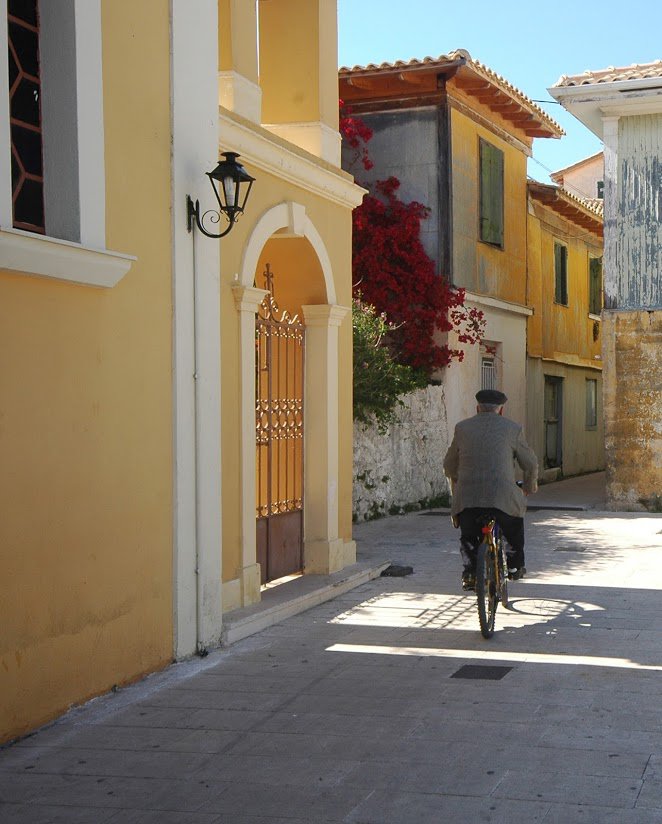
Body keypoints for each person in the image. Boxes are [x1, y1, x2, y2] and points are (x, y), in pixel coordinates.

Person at [443, 389, 538, 590]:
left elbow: (449, 464)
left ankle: (469, 573)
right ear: (501, 411)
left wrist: (457, 480)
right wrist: (529, 487)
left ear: (477, 408)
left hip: (469, 497)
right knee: (513, 525)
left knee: (468, 536)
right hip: (502, 496)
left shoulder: (462, 428)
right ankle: (515, 566)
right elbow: (530, 464)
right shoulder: (513, 429)